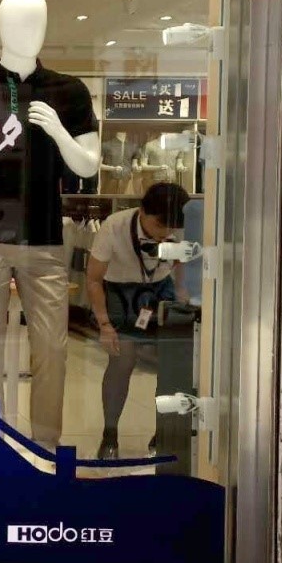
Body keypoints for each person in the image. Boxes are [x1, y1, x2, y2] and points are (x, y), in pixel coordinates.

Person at [86, 182, 192, 459]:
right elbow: (94, 279)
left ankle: (163, 433)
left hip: (160, 289)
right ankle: (110, 434)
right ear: (142, 211)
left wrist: (181, 289)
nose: (165, 233)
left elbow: (182, 259)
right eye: (159, 225)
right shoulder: (114, 226)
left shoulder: (177, 226)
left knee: (170, 364)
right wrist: (105, 325)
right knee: (122, 360)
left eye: (171, 227)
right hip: (120, 291)